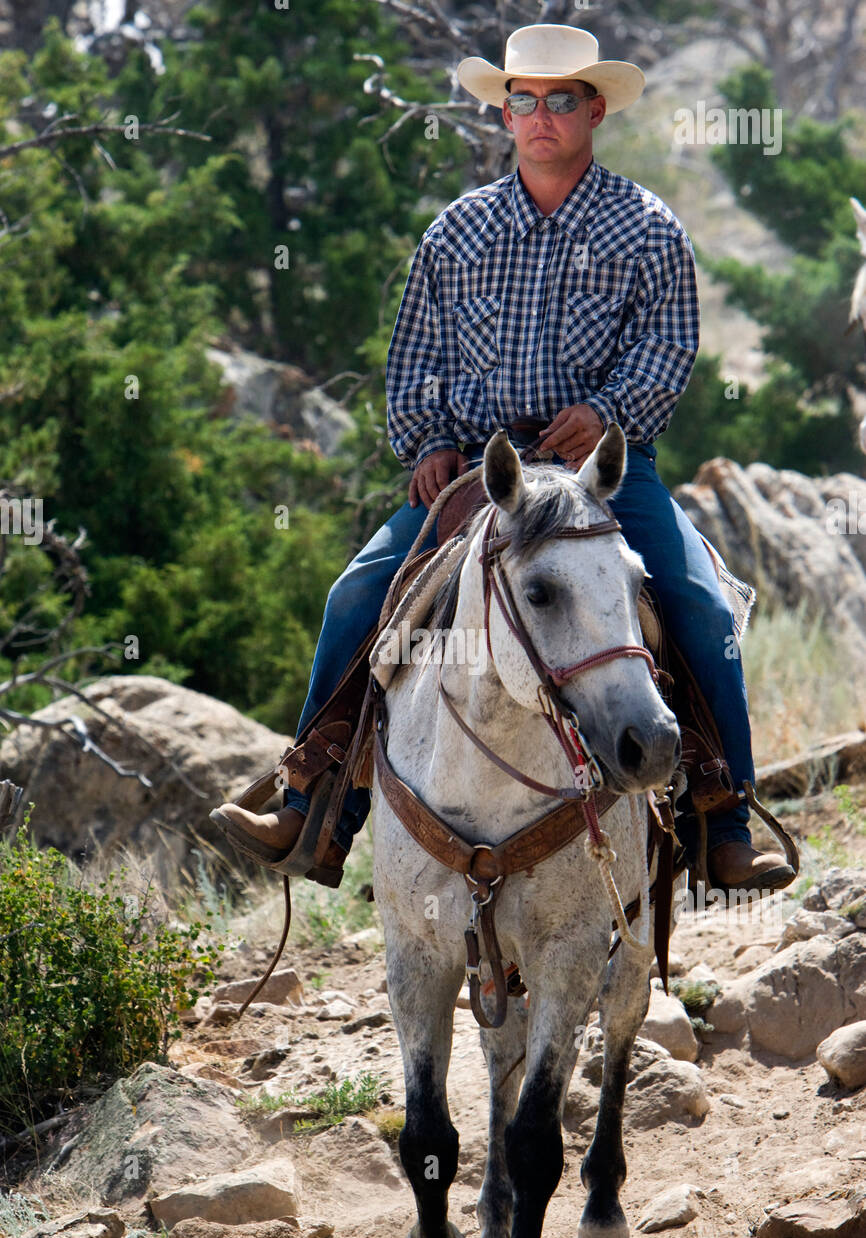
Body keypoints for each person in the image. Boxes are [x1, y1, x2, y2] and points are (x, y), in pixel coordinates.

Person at [214, 24, 795, 894]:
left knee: (701, 609)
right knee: (356, 597)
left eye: (562, 100)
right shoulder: (457, 233)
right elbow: (415, 357)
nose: (542, 116)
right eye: (524, 99)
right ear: (505, 111)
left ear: (595, 109)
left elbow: (669, 351)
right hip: (483, 474)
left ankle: (723, 818)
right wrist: (428, 440)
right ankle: (317, 809)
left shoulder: (648, 228)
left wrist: (606, 412)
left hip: (602, 474)